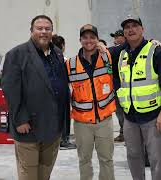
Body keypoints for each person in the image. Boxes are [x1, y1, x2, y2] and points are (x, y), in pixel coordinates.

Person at [1, 15, 69, 180]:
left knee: (45, 171)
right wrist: (20, 119)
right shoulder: (17, 54)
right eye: (39, 28)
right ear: (31, 31)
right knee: (29, 172)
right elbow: (10, 89)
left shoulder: (57, 54)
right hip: (28, 126)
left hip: (53, 126)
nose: (44, 32)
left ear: (52, 32)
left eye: (47, 29)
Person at [110, 15, 161, 180]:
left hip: (153, 117)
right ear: (124, 32)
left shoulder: (157, 52)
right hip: (130, 118)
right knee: (133, 156)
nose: (130, 29)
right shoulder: (121, 53)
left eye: (134, 26)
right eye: (127, 27)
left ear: (142, 29)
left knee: (157, 159)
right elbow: (102, 53)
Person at [65, 24, 116, 180]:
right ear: (80, 40)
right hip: (81, 123)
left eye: (92, 37)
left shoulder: (108, 57)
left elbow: (129, 46)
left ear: (97, 39)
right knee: (84, 160)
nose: (89, 41)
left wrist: (153, 42)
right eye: (85, 37)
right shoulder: (70, 65)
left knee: (106, 159)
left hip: (104, 120)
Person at [52, 34, 77, 150]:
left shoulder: (47, 59)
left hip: (50, 92)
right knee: (64, 115)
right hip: (63, 91)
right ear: (62, 46)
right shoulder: (64, 60)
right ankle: (63, 140)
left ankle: (55, 139)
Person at [110, 29, 126, 142]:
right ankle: (123, 132)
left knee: (123, 110)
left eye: (117, 37)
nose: (115, 39)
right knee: (119, 111)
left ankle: (126, 133)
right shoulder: (114, 50)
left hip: (124, 83)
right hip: (115, 84)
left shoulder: (125, 48)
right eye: (114, 37)